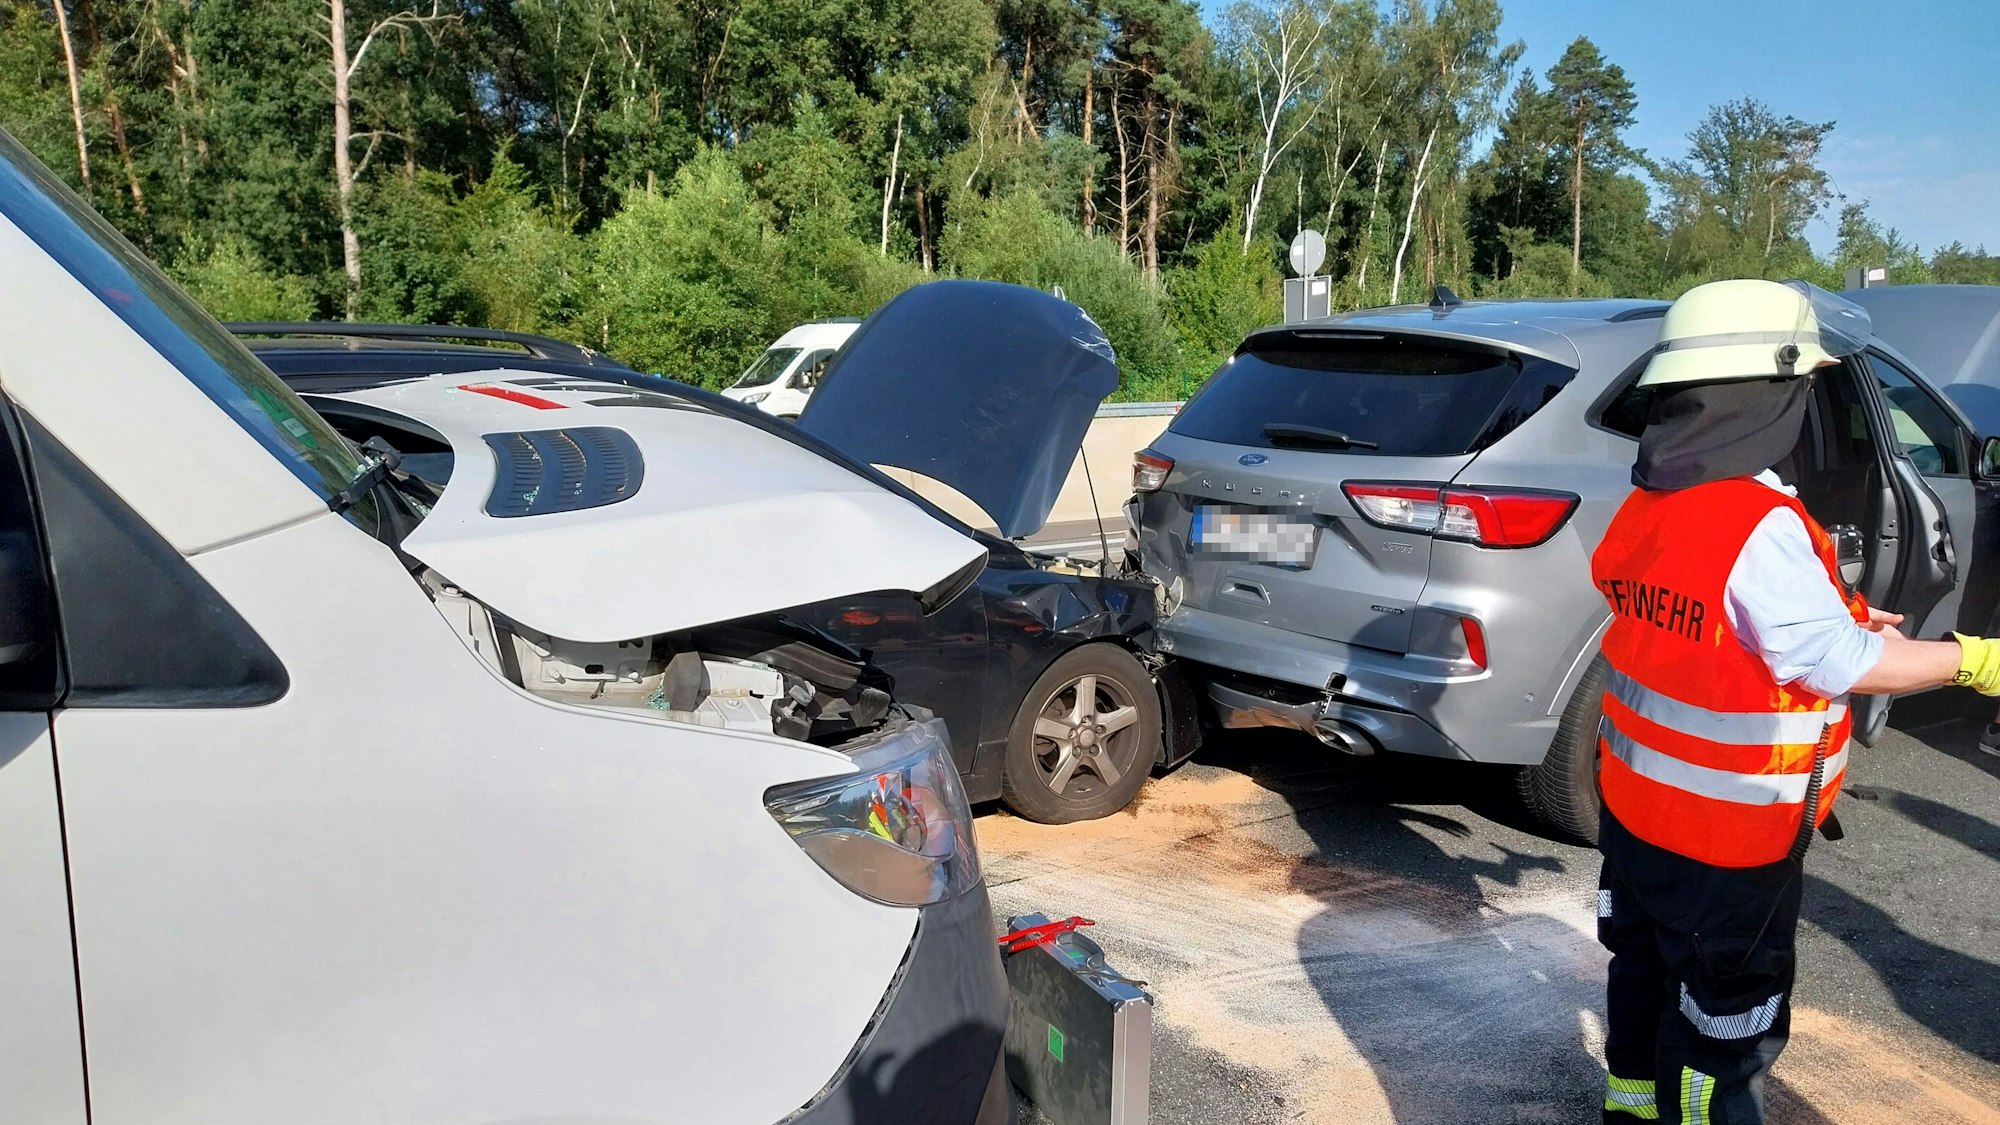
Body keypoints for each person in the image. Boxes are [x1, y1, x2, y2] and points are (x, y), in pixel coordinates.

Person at [1591, 278, 2000, 1124]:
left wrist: (1835, 615)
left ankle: (1628, 1106)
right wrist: (1972, 661)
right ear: (1768, 392)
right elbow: (1837, 662)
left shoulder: (1653, 502)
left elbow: (1710, 625)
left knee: (1642, 973)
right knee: (1728, 1021)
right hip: (1729, 839)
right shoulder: (1756, 521)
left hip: (1637, 818)